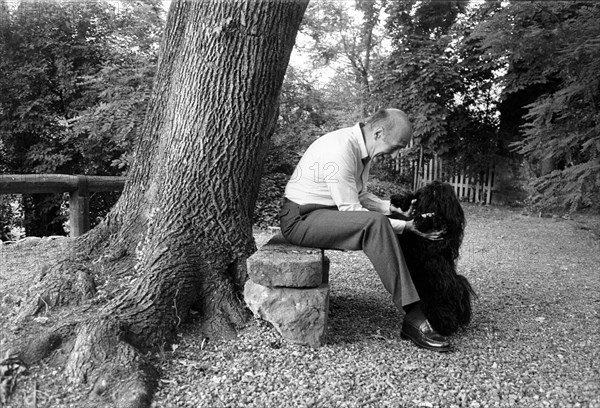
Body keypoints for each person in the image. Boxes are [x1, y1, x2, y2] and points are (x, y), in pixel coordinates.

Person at [279, 108, 451, 352]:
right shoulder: (340, 150)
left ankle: (423, 297)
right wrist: (407, 226)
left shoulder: (360, 151)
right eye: (397, 146)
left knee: (384, 218)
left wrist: (391, 208)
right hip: (300, 219)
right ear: (379, 132)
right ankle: (414, 315)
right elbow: (352, 211)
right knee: (376, 224)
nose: (395, 155)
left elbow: (359, 196)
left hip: (323, 212)